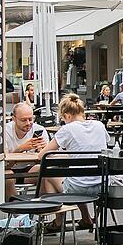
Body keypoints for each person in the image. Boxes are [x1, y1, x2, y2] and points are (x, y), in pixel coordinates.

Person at [37, 94, 110, 231]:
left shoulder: (67, 129)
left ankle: (59, 222)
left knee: (49, 175)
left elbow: (43, 155)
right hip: (102, 186)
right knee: (77, 177)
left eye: (63, 119)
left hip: (78, 188)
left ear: (67, 115)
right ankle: (86, 218)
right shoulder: (99, 125)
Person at [4, 103, 50, 200]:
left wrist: (43, 150)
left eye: (31, 119)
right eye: (23, 120)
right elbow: (3, 163)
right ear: (14, 119)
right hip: (10, 169)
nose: (28, 123)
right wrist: (21, 149)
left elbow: (47, 159)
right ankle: (17, 209)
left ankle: (42, 206)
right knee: (7, 175)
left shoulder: (39, 129)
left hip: (29, 169)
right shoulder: (5, 132)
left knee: (45, 170)